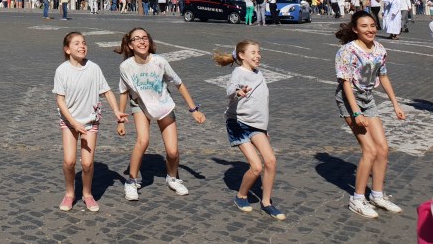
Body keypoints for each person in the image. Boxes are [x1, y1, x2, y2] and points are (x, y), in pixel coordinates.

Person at [114, 28, 206, 201]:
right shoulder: (126, 66)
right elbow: (124, 92)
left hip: (164, 105)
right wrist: (120, 119)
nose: (142, 41)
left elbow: (179, 83)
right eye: (137, 39)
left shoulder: (160, 61)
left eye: (145, 38)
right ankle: (131, 181)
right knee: (143, 141)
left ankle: (172, 177)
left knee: (172, 152)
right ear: (130, 45)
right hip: (140, 105)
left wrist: (194, 110)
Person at [334, 10, 406, 218]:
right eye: (364, 26)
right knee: (370, 150)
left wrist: (395, 104)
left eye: (373, 25)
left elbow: (383, 77)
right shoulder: (347, 51)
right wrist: (356, 113)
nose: (370, 29)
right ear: (355, 29)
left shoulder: (380, 49)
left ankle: (377, 195)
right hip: (349, 100)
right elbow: (345, 83)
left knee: (383, 149)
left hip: (367, 98)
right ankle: (357, 199)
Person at [52, 31, 126, 212]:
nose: (82, 46)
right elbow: (60, 101)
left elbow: (107, 91)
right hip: (69, 122)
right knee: (69, 161)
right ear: (67, 49)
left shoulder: (94, 68)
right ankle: (70, 193)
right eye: (77, 43)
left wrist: (117, 111)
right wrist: (73, 123)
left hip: (90, 121)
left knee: (87, 163)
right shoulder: (62, 70)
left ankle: (87, 193)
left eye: (84, 42)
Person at [213, 40, 285, 220]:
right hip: (238, 123)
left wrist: (264, 128)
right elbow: (230, 90)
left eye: (258, 52)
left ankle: (266, 203)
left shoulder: (258, 73)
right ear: (242, 55)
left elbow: (262, 103)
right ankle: (241, 196)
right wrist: (238, 92)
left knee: (271, 161)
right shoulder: (238, 72)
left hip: (257, 125)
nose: (257, 55)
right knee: (256, 167)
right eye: (253, 52)